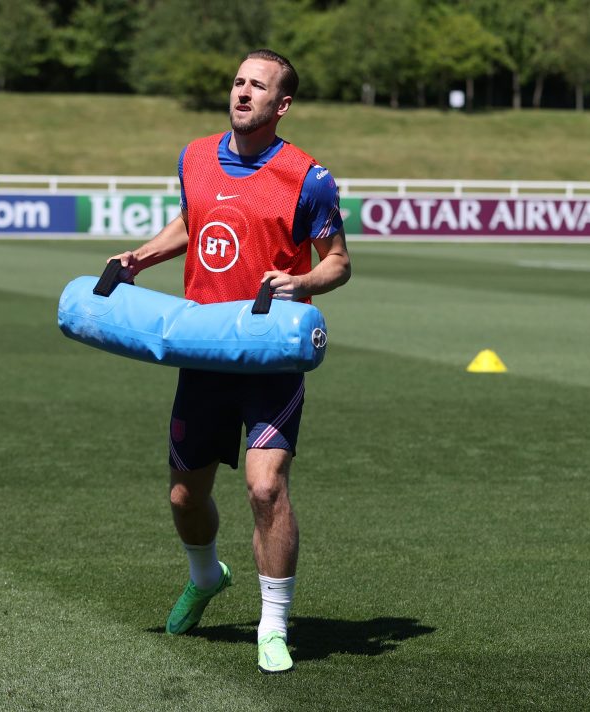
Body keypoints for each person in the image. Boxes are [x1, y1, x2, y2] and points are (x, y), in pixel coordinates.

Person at [110, 49, 351, 675]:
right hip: (205, 351)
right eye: (239, 82)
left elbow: (338, 262)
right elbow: (193, 222)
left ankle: (273, 626)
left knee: (265, 487)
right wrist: (142, 257)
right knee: (184, 497)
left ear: (283, 103)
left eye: (258, 86)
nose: (243, 93)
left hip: (270, 357)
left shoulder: (309, 178)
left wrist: (304, 283)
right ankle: (206, 574)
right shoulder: (194, 155)